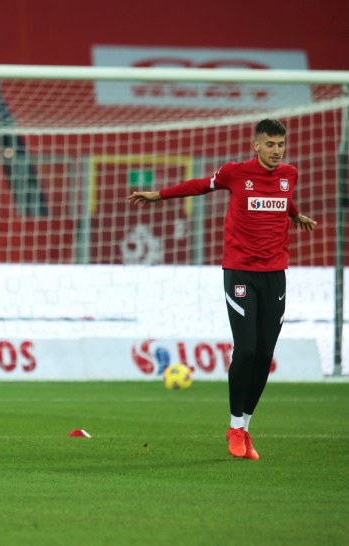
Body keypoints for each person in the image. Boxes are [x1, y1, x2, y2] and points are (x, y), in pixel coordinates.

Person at [128, 118, 316, 460]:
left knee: (264, 356)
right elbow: (201, 185)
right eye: (270, 144)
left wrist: (296, 215)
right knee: (245, 349)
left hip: (276, 273)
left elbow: (282, 199)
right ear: (256, 145)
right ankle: (233, 426)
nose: (276, 151)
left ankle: (245, 427)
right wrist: (159, 195)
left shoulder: (290, 174)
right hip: (240, 271)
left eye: (280, 145)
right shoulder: (235, 172)